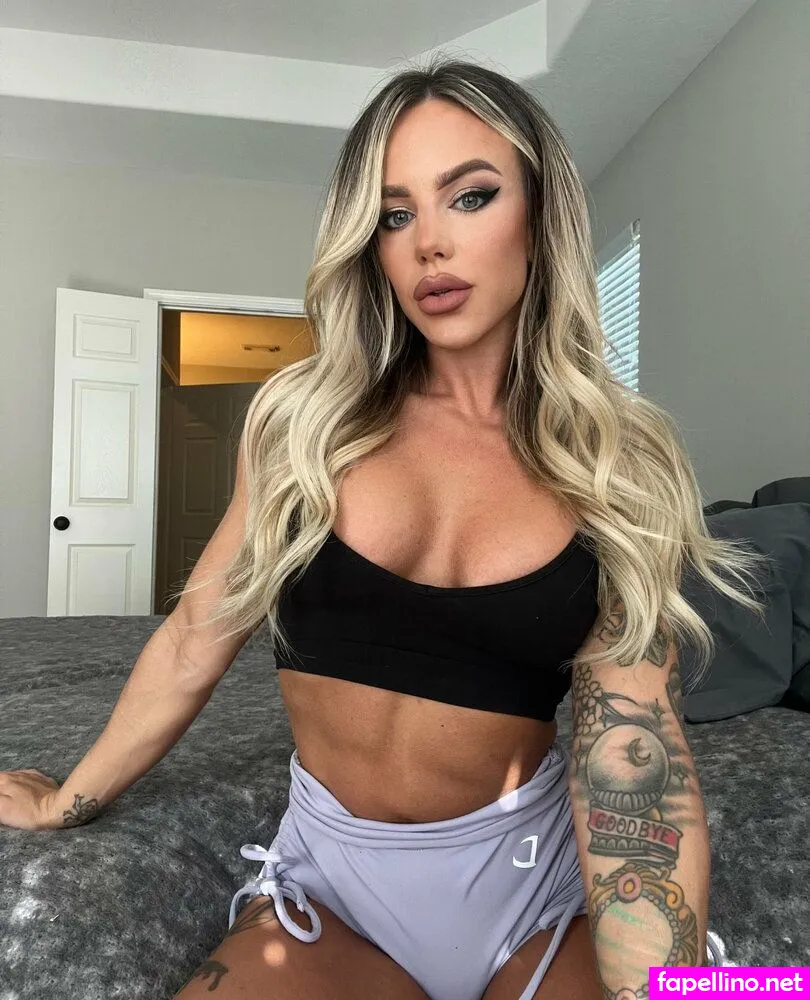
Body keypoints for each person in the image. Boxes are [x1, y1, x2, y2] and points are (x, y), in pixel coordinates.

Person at [0, 56, 771, 1000]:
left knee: (744, 991)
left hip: (540, 896)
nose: (428, 245)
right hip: (335, 891)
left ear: (541, 218)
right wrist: (67, 800)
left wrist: (661, 982)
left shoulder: (619, 465)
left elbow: (632, 758)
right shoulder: (303, 425)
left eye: (471, 197)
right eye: (395, 215)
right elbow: (197, 634)